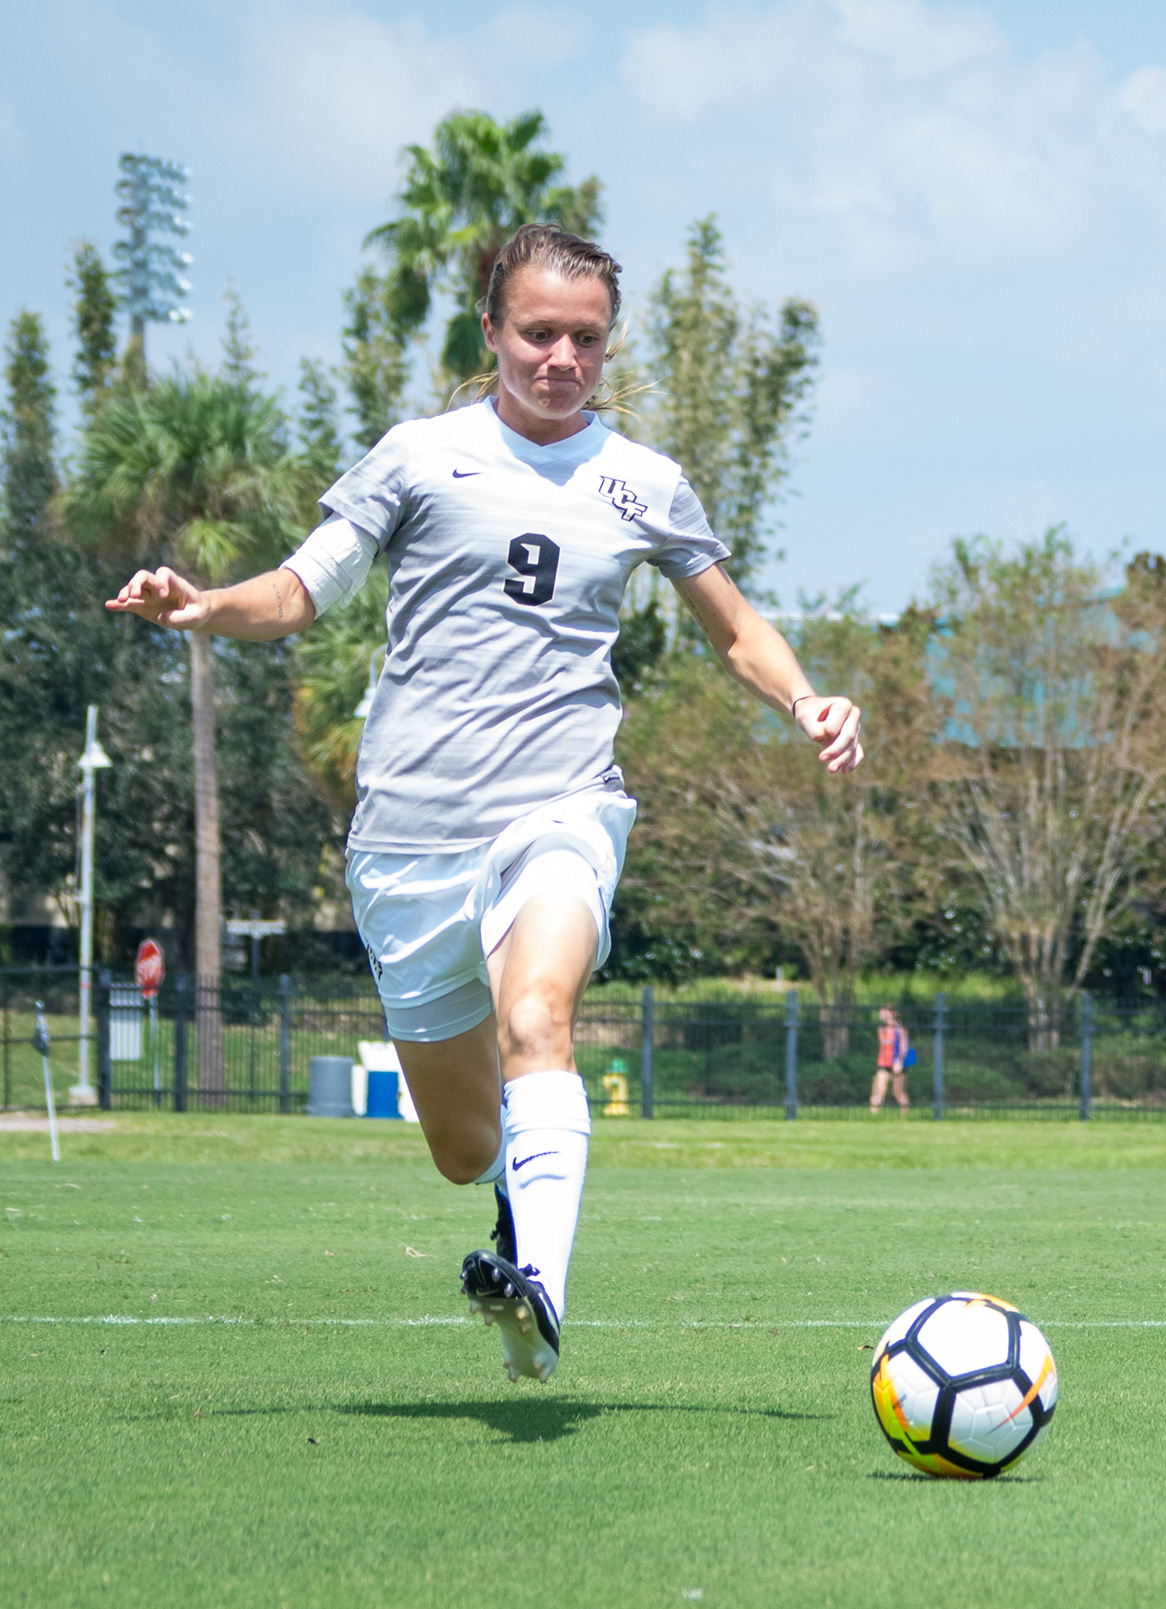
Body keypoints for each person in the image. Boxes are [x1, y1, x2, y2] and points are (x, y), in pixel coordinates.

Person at [105, 224, 863, 1384]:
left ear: (610, 344)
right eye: (539, 332)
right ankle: (516, 1214)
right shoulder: (418, 456)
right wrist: (207, 605)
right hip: (408, 841)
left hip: (558, 809)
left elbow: (736, 629)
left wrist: (807, 700)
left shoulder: (644, 482)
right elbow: (302, 589)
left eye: (587, 339)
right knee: (464, 1148)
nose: (563, 358)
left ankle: (540, 1294)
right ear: (491, 331)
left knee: (541, 1017)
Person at [872, 1005, 914, 1114]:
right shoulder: (881, 1028)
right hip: (884, 1063)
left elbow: (904, 1046)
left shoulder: (899, 1028)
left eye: (884, 1011)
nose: (881, 1014)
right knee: (879, 1090)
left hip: (897, 1063)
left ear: (892, 1013)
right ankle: (873, 1115)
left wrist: (899, 1061)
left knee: (898, 1092)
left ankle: (905, 1114)